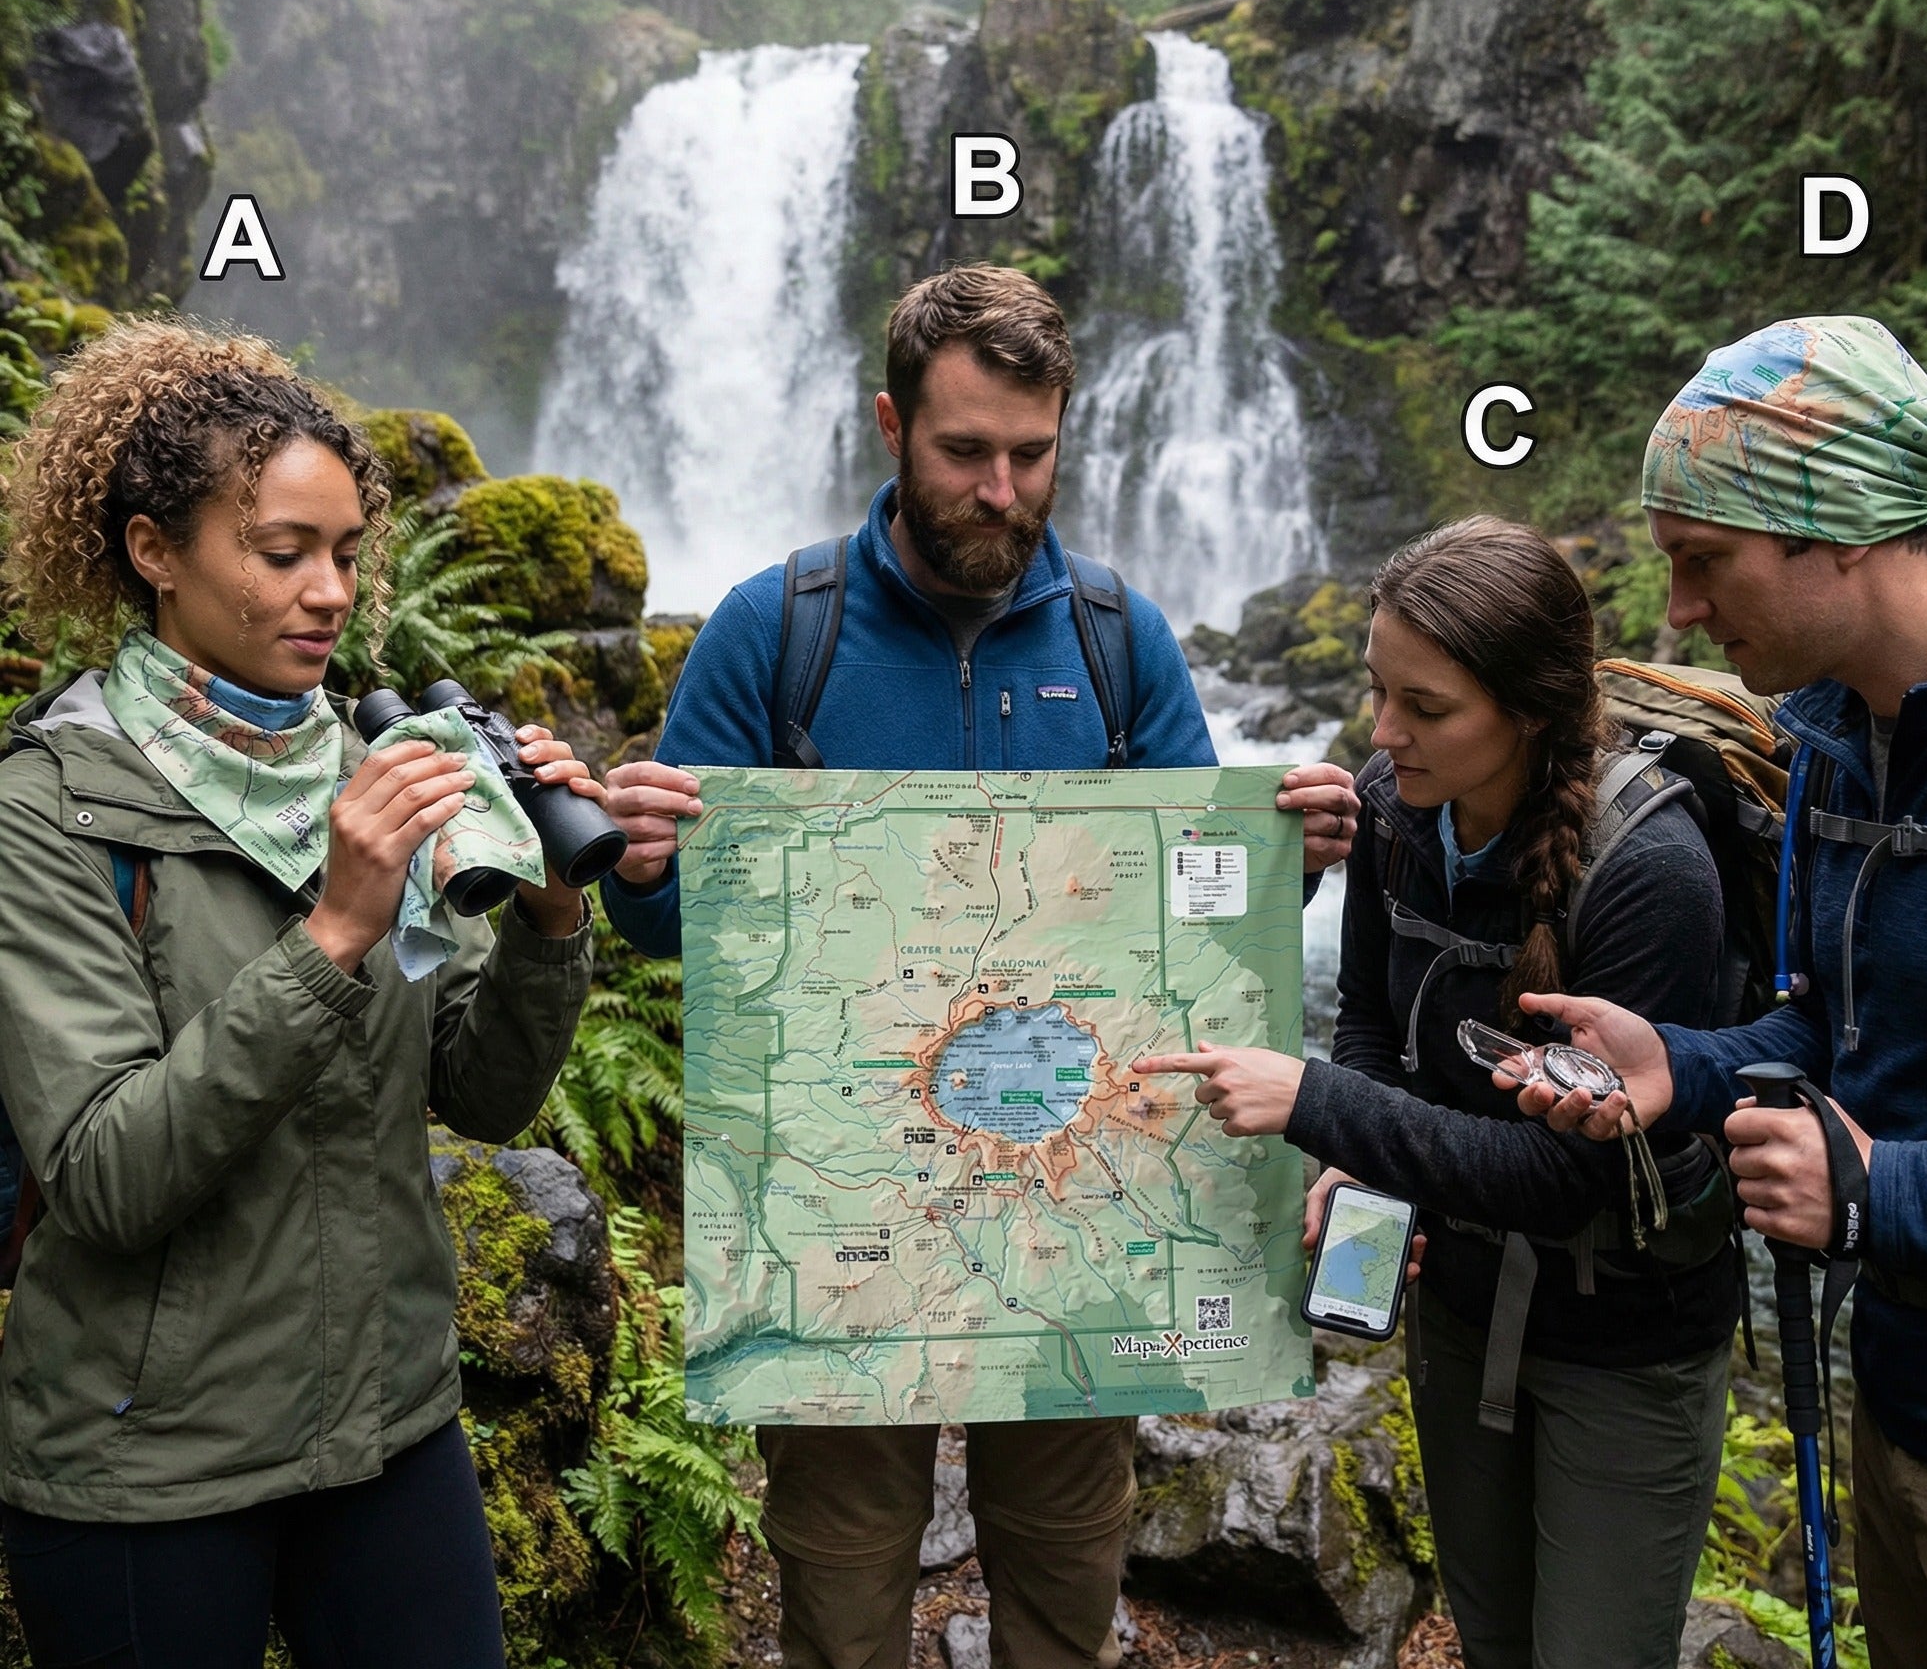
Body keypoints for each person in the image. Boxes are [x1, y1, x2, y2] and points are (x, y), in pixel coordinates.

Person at [602, 262, 1360, 1669]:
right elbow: (660, 928)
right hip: (838, 1199)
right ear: (890, 426)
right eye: (963, 451)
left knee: (1066, 1573)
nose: (1000, 491)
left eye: (1031, 453)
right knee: (840, 1586)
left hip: (1075, 1192)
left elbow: (1194, 922)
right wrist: (643, 866)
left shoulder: (1120, 641)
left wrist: (1283, 866)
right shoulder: (775, 631)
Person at [0, 322, 601, 1669]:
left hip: (385, 1423)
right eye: (282, 553)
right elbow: (105, 1174)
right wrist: (333, 930)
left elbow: (482, 1093)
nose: (329, 592)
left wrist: (551, 916)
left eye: (346, 552)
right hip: (148, 1460)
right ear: (153, 551)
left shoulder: (360, 764)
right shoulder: (46, 808)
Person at [1514, 316, 1927, 1669]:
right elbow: (1831, 1025)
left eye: (1704, 560)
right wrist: (1679, 1065)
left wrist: (1879, 1191)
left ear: (1840, 529)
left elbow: (1872, 1161)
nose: (1677, 612)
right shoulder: (1832, 735)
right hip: (1905, 1414)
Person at [1137, 515, 1741, 1669]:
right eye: (1377, 690)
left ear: (1528, 711)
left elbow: (1563, 1176)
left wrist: (1320, 1107)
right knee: (1491, 1636)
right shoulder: (1395, 803)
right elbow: (1371, 1016)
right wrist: (1359, 1161)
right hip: (1459, 1306)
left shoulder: (1650, 871)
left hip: (1623, 1334)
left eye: (1424, 706)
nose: (1381, 731)